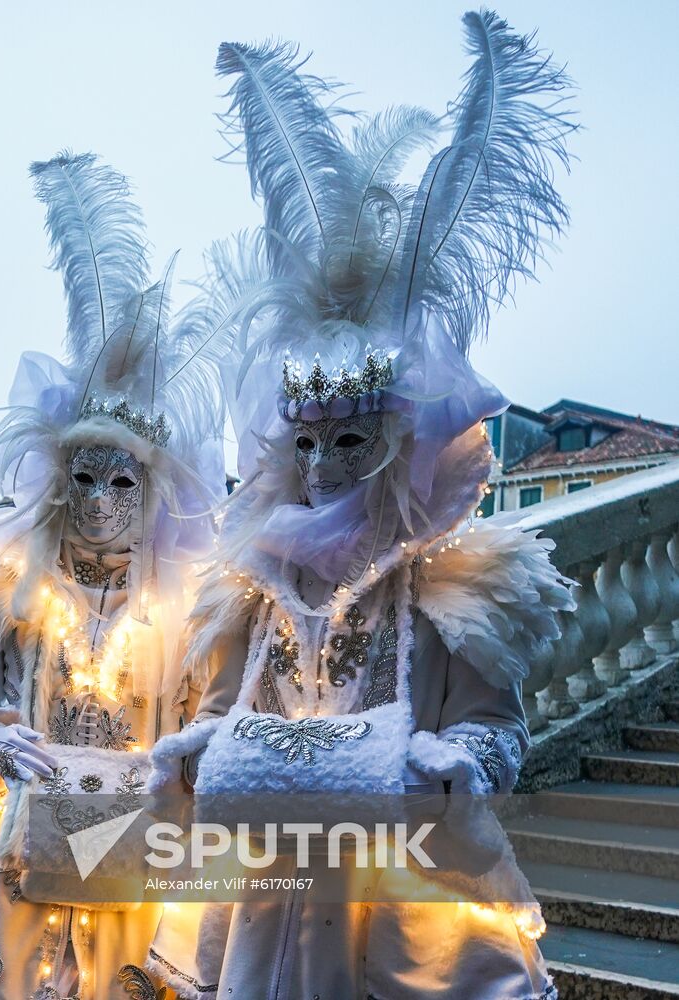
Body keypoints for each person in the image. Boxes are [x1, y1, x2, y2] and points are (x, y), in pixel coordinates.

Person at [145, 11, 576, 999]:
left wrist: (442, 762)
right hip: (265, 885)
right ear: (282, 448)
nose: (328, 465)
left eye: (352, 443)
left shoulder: (457, 582)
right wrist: (195, 745)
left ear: (395, 446)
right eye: (308, 445)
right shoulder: (249, 588)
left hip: (405, 901)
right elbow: (225, 711)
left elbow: (494, 732)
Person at [0, 151, 248, 1000]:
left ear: (154, 488)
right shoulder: (13, 587)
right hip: (16, 862)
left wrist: (171, 769)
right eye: (83, 478)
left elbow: (221, 720)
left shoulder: (194, 604)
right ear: (57, 481)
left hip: (142, 865)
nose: (99, 500)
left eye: (121, 480)